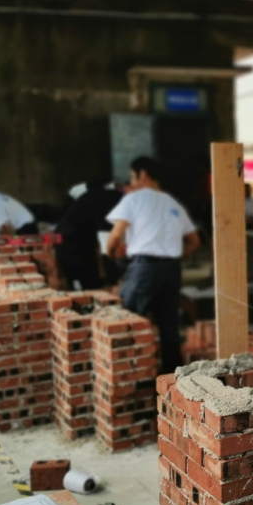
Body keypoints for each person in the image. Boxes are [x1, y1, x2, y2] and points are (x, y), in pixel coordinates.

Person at [106, 157, 200, 375]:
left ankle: (129, 378)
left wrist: (111, 254)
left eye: (132, 177)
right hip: (171, 270)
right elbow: (194, 241)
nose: (132, 182)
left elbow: (116, 236)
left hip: (144, 269)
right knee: (169, 328)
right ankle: (173, 381)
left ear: (143, 174)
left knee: (127, 322)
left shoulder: (133, 200)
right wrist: (174, 257)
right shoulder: (173, 203)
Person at [55, 181, 123, 291]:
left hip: (86, 241)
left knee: (93, 281)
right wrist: (114, 281)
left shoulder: (111, 196)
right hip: (68, 241)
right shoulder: (106, 201)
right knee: (80, 284)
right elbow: (106, 247)